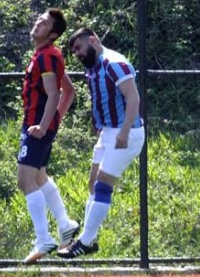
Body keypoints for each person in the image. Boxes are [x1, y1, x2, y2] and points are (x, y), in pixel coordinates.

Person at [57, 28, 144, 258]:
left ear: (93, 40)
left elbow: (133, 98)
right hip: (108, 132)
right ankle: (90, 239)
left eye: (79, 48)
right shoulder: (93, 67)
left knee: (103, 185)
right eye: (74, 51)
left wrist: (124, 132)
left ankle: (85, 241)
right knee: (93, 185)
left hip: (127, 132)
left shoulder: (114, 63)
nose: (77, 54)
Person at [18, 8, 80, 264]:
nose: (38, 23)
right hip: (37, 125)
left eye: (44, 23)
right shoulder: (45, 55)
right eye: (39, 19)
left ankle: (43, 238)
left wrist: (44, 126)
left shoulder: (48, 56)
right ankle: (65, 224)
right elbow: (70, 91)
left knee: (25, 180)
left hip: (36, 126)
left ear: (53, 34)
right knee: (39, 176)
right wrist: (54, 121)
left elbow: (55, 94)